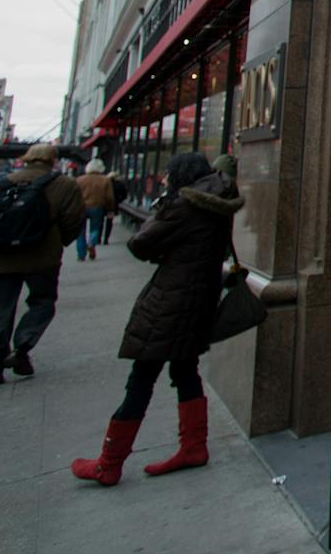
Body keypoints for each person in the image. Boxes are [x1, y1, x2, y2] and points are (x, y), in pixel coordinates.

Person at [71, 152, 240, 486]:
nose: (163, 177)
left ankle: (110, 462)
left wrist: (165, 207)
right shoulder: (218, 203)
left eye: (168, 173)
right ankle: (193, 446)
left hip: (172, 300)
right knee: (185, 370)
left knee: (141, 378)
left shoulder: (184, 205)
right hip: (199, 299)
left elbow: (141, 243)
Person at [0, 143, 83, 385]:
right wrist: (57, 241)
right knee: (42, 302)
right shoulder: (65, 185)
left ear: (26, 159)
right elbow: (73, 221)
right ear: (53, 160)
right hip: (42, 257)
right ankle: (22, 347)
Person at [72, 158, 116, 262]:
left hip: (81, 207)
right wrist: (110, 209)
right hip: (97, 206)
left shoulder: (79, 180)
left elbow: (74, 195)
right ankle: (91, 243)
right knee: (95, 228)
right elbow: (109, 197)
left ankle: (81, 255)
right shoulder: (105, 180)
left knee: (80, 232)